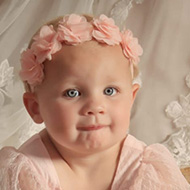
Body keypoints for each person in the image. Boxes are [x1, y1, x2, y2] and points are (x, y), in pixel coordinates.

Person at [0, 14, 189, 190]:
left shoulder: (147, 168)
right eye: (72, 93)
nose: (95, 107)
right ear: (35, 107)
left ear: (131, 98)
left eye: (110, 91)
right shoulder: (27, 171)